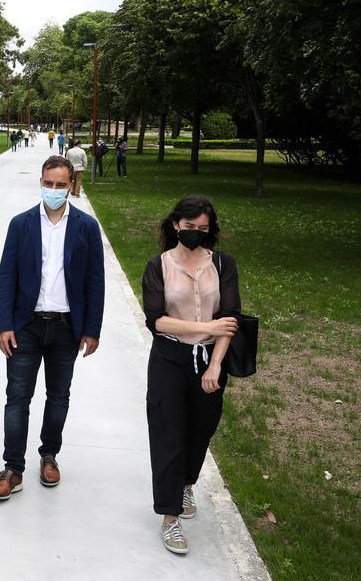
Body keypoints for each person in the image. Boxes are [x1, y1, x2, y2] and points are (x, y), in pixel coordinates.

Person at [0, 155, 104, 500]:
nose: (53, 190)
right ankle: (13, 468)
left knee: (58, 396)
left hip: (67, 327)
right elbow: (6, 276)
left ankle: (49, 456)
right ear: (40, 182)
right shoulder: (21, 224)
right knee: (17, 397)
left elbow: (95, 281)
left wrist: (92, 329)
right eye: (48, 183)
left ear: (70, 185)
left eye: (60, 184)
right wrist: (4, 324)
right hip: (26, 326)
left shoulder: (85, 227)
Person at [141, 195, 240, 555]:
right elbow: (156, 320)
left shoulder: (223, 265)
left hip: (210, 359)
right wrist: (206, 324)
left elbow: (230, 319)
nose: (195, 233)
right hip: (169, 357)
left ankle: (186, 482)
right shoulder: (159, 266)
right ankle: (170, 517)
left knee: (200, 431)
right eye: (189, 228)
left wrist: (215, 364)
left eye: (203, 229)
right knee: (168, 436)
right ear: (175, 226)